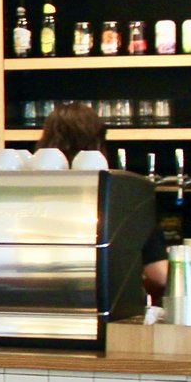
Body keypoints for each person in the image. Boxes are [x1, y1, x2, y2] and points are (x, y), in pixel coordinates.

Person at [37, 103, 169, 298]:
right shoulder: (125, 196)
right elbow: (160, 274)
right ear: (98, 144)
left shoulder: (30, 192)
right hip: (104, 304)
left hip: (35, 301)